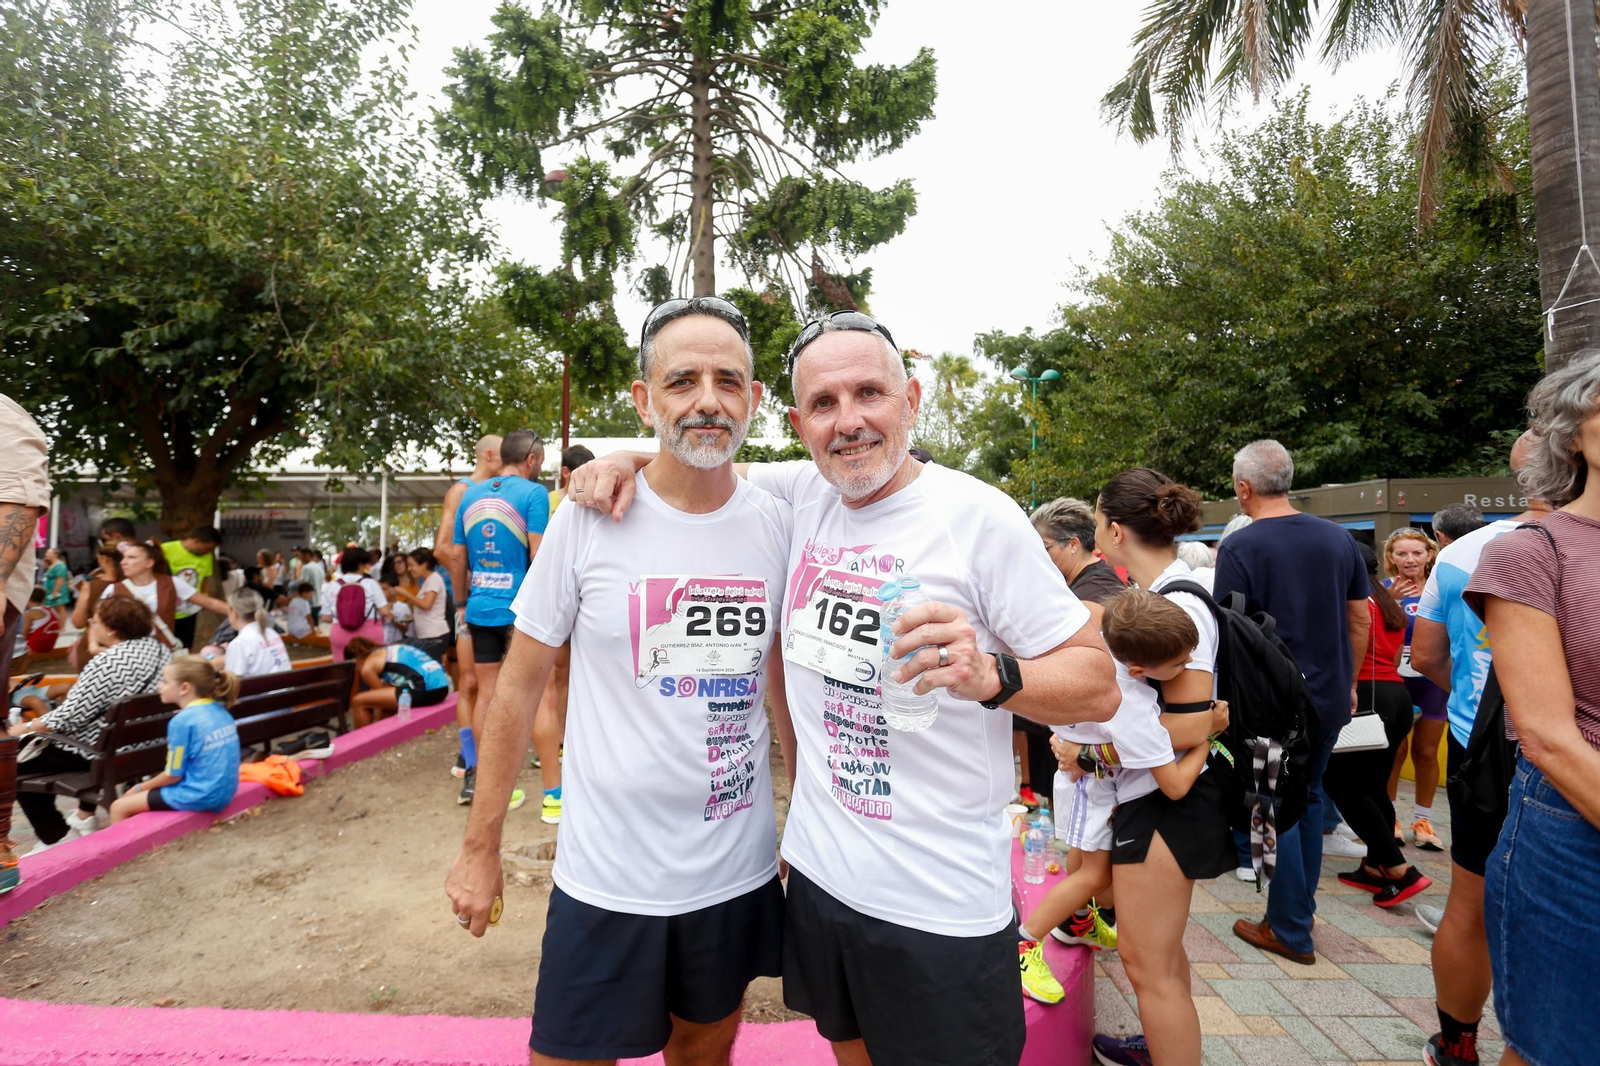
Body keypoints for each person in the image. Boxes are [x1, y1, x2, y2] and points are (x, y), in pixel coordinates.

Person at [566, 307, 1120, 1066]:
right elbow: (697, 447)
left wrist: (996, 677)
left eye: (870, 394)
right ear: (798, 423)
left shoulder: (978, 518)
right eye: (825, 404)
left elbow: (1098, 685)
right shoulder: (804, 495)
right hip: (822, 885)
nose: (849, 421)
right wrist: (619, 460)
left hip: (940, 904)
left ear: (912, 400)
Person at [447, 296, 795, 1066]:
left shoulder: (782, 518)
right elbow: (518, 689)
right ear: (644, 401)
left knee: (704, 1051)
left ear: (755, 400)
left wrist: (801, 820)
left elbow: (782, 690)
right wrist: (481, 846)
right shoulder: (587, 518)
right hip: (607, 879)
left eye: (729, 380)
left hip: (732, 872)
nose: (708, 399)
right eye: (682, 381)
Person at [1465, 351, 1600, 1066]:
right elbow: (1547, 735)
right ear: (1573, 433)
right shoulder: (1534, 552)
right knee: (1559, 1049)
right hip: (1573, 827)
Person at [1077, 468, 1236, 1066]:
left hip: (1168, 804)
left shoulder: (1177, 606)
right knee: (1162, 960)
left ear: (1115, 531)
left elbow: (1189, 725)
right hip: (1162, 798)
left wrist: (1085, 752)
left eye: (1096, 522)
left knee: (1149, 966)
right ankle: (1162, 1045)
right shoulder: (1166, 596)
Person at [1410, 432, 1551, 1066]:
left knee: (1468, 905)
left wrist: (1475, 701)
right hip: (1568, 749)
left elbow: (1427, 656)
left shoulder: (1464, 549)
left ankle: (1457, 1042)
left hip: (1483, 745)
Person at [1019, 590, 1227, 1008]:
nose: (1187, 667)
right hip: (1092, 788)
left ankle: (1078, 921)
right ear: (1138, 667)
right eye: (1179, 663)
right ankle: (1022, 945)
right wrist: (1208, 735)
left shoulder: (1104, 650)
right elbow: (1174, 785)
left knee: (1085, 864)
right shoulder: (1132, 707)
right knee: (1094, 875)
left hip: (1084, 782)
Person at [1213, 440, 1369, 966]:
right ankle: (1295, 915)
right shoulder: (1339, 539)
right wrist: (1347, 681)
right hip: (1328, 697)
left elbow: (1229, 631)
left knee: (1275, 809)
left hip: (1270, 704)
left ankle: (1290, 927)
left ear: (1243, 488)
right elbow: (1360, 618)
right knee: (1311, 799)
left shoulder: (1241, 547)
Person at [10, 597, 172, 852]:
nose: (89, 626)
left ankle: (56, 837)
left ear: (111, 629)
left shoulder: (107, 662)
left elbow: (70, 716)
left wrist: (26, 727)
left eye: (93, 621)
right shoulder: (160, 650)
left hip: (98, 753)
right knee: (36, 754)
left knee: (11, 763)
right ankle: (85, 817)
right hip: (143, 748)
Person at [1324, 543, 1433, 908]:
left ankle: (1400, 870)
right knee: (1372, 786)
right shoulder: (1385, 601)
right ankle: (1373, 866)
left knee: (1342, 784)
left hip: (1367, 697)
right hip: (1396, 697)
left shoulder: (1354, 603)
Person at [449, 428, 548, 805]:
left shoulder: (470, 494)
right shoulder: (534, 493)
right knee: (536, 695)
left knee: (486, 694)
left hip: (478, 608)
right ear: (532, 460)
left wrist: (461, 603)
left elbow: (458, 557)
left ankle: (482, 781)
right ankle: (551, 788)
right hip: (520, 613)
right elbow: (539, 555)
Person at [1026, 496, 1126, 808]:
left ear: (1072, 544)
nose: (1036, 558)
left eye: (1043, 548)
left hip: (1096, 738)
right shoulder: (1077, 584)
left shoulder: (1096, 589)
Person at [435, 434, 501, 784]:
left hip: (487, 602)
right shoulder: (462, 491)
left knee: (488, 684)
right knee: (471, 683)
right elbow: (444, 549)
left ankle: (478, 758)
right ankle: (469, 760)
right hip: (468, 602)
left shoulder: (496, 491)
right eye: (502, 455)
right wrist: (475, 578)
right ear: (489, 454)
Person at [107, 655, 241, 824]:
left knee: (119, 806)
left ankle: (124, 850)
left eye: (165, 681)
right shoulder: (220, 710)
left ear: (184, 687)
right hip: (224, 791)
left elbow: (173, 774)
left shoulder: (182, 721)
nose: (159, 686)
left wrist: (139, 788)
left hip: (201, 795)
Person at [1380, 527, 1449, 851]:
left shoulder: (1440, 588)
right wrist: (1388, 603)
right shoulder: (1382, 590)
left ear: (1429, 555)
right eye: (1402, 553)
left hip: (1432, 681)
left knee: (1425, 751)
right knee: (1396, 752)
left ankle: (1422, 819)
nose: (1410, 559)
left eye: (1417, 553)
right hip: (1396, 682)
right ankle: (1390, 816)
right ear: (1391, 558)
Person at [101, 541, 230, 652]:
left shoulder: (171, 583)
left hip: (161, 651)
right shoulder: (114, 589)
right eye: (123, 558)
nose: (124, 562)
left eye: (131, 557)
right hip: (127, 652)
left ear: (149, 563)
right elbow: (98, 621)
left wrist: (240, 613)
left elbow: (209, 603)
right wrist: (96, 644)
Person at [343, 636, 455, 729]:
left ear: (355, 661)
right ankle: (386, 736)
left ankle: (364, 741)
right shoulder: (391, 648)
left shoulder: (367, 667)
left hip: (426, 689)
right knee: (384, 699)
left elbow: (380, 697)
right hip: (442, 687)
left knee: (358, 701)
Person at [159, 525, 222, 651]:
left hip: (188, 610)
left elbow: (205, 578)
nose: (208, 553)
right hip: (166, 610)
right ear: (196, 541)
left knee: (185, 647)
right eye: (207, 549)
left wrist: (203, 598)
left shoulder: (207, 557)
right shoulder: (165, 549)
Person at [326, 547, 386, 666]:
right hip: (369, 636)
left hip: (340, 634)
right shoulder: (371, 583)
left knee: (342, 673)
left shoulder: (332, 586)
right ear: (360, 565)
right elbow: (384, 611)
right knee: (372, 672)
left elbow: (325, 617)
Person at [394, 547, 449, 661]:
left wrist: (406, 594)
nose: (409, 569)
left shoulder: (433, 579)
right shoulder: (426, 581)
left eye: (411, 565)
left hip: (434, 634)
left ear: (423, 564)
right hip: (427, 634)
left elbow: (426, 604)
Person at [220, 588, 290, 678]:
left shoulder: (240, 643)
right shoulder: (272, 633)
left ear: (234, 612)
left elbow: (232, 684)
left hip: (260, 691)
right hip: (284, 690)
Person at [15, 588, 61, 670]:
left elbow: (23, 634)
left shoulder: (29, 613)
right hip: (50, 645)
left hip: (36, 646)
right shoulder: (51, 610)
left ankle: (20, 669)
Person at [546, 444, 595, 513]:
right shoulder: (548, 500)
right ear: (565, 472)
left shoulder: (591, 503)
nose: (588, 479)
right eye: (583, 475)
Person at [283, 582, 329, 649]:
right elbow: (309, 618)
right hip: (300, 630)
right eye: (311, 593)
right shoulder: (304, 602)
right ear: (304, 592)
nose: (312, 595)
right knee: (318, 630)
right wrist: (313, 631)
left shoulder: (293, 601)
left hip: (291, 629)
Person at [40, 547, 70, 625]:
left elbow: (60, 578)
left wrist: (55, 591)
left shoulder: (60, 565)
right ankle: (54, 624)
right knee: (51, 608)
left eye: (49, 553)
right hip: (49, 588)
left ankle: (62, 626)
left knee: (60, 608)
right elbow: (42, 567)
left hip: (58, 588)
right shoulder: (50, 564)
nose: (46, 554)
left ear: (55, 555)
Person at [298, 548, 326, 627]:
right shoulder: (319, 567)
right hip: (318, 601)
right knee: (315, 626)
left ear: (307, 556)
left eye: (301, 556)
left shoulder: (306, 568)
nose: (300, 559)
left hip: (309, 602)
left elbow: (302, 584)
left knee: (308, 627)